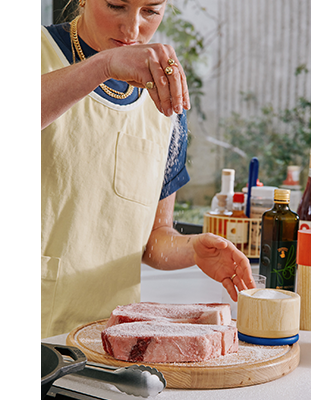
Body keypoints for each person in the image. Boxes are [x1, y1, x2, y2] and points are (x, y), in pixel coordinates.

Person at [41, 0, 255, 338]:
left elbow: (154, 238)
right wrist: (105, 65)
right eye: (116, 5)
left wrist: (193, 249)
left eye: (151, 11)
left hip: (112, 337)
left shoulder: (166, 98)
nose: (132, 28)